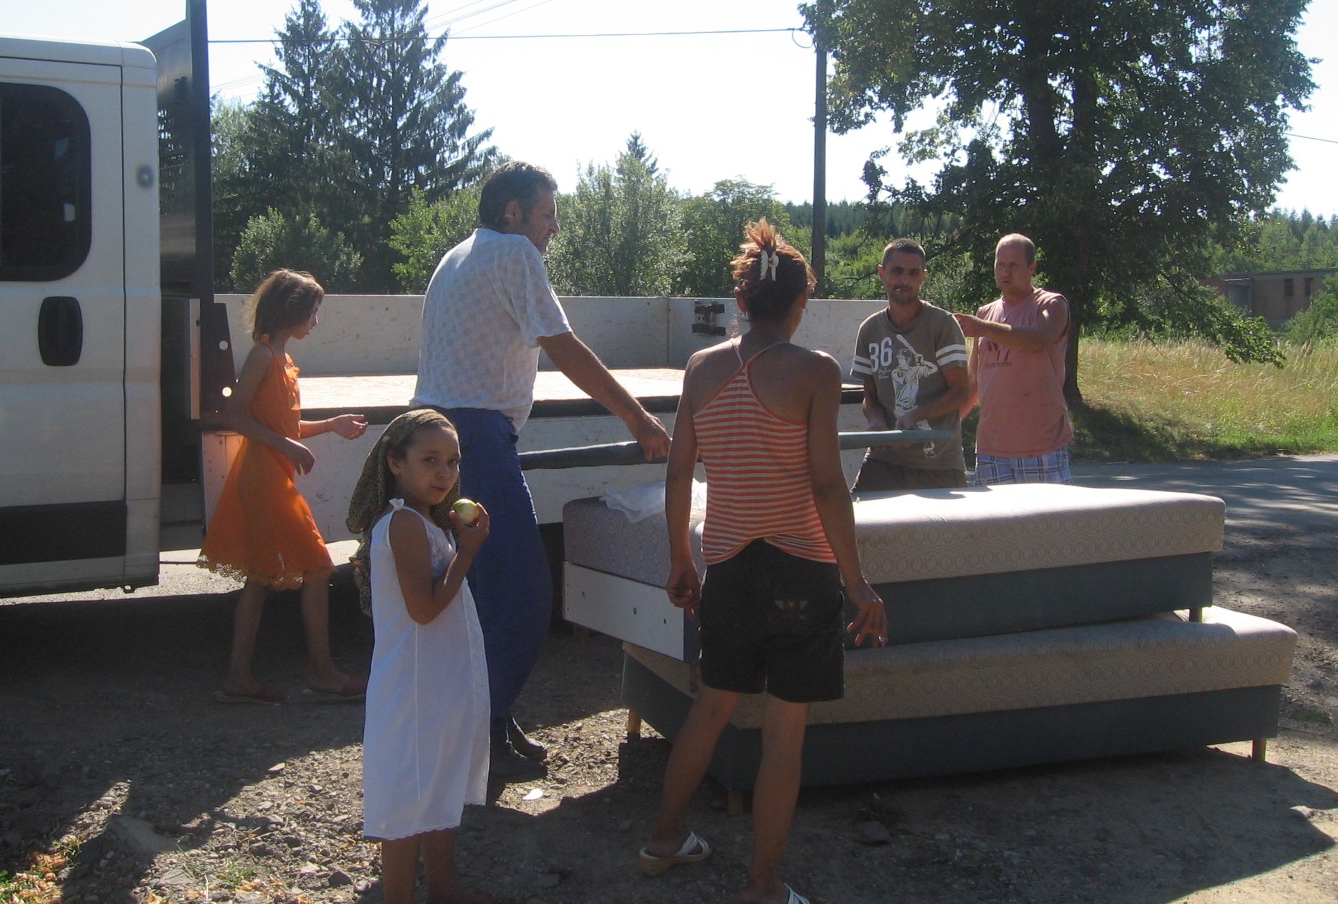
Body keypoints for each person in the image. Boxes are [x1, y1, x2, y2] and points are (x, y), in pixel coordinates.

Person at [641, 219, 887, 904]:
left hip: (727, 565)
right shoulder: (816, 371)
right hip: (801, 568)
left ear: (742, 302)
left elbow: (680, 473)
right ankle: (763, 886)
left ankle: (664, 839)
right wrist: (857, 580)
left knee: (710, 709)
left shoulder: (701, 368)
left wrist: (679, 558)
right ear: (802, 301)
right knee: (784, 735)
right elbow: (828, 485)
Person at [412, 160, 671, 780]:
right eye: (548, 214)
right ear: (514, 212)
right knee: (524, 599)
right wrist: (638, 419)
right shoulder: (514, 252)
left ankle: (490, 721)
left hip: (437, 436)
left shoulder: (458, 255)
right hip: (476, 439)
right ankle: (476, 741)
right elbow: (563, 346)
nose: (554, 227)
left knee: (479, 595)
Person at [198, 268, 370, 704]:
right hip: (263, 477)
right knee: (316, 566)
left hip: (271, 474)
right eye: (312, 312)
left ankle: (239, 676)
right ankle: (321, 670)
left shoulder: (282, 360)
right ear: (291, 312)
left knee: (261, 578)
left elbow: (285, 426)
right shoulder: (263, 357)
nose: (316, 321)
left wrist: (330, 425)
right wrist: (287, 446)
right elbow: (233, 416)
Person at [347, 409, 494, 904]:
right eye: (429, 460)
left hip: (435, 684)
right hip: (413, 688)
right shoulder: (404, 523)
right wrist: (468, 553)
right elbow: (424, 610)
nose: (444, 473)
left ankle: (445, 892)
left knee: (438, 787)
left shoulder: (428, 521)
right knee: (407, 802)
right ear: (395, 462)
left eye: (452, 462)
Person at [850, 239, 969, 492]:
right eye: (897, 271)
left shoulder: (942, 325)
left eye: (913, 273)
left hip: (938, 464)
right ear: (882, 273)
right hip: (884, 460)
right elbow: (869, 395)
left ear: (923, 276)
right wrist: (876, 424)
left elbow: (960, 391)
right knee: (860, 515)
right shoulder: (870, 329)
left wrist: (916, 415)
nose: (904, 280)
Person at [956, 233, 1074, 484]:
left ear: (1032, 268)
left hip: (1041, 446)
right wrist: (946, 426)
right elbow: (974, 382)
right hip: (991, 448)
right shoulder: (985, 313)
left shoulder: (1051, 304)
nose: (1005, 272)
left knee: (1046, 512)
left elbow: (1038, 339)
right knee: (994, 513)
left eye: (1014, 265)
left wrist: (985, 328)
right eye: (1000, 264)